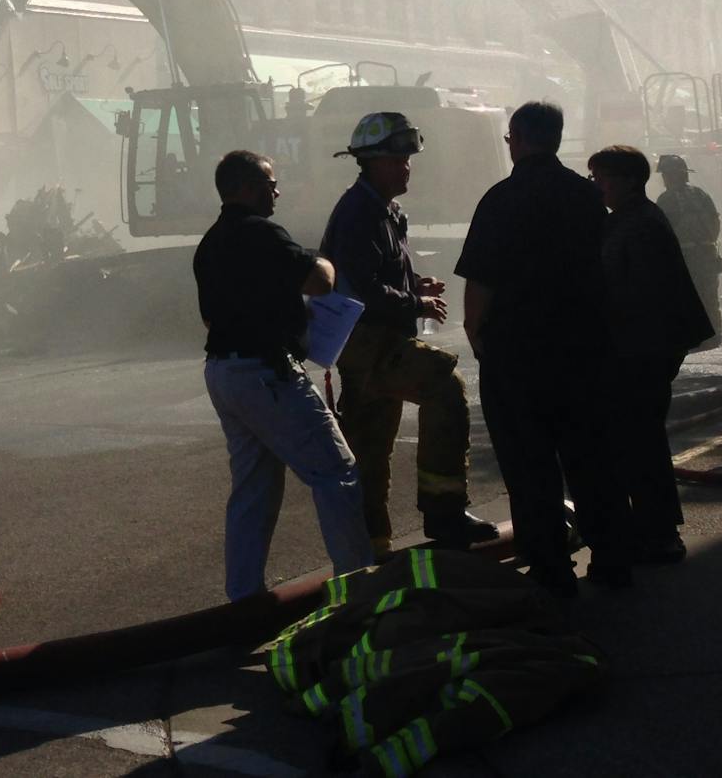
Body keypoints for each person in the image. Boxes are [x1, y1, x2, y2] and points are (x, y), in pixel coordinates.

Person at [456, 100, 630, 596]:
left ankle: (552, 568)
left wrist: (475, 330)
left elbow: (481, 279)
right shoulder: (585, 196)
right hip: (583, 349)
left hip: (518, 354)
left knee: (529, 463)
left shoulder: (501, 199)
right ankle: (613, 559)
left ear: (518, 137)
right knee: (591, 456)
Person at [194, 148, 374, 601]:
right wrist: (323, 260)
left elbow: (211, 319)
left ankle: (244, 601)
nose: (278, 192)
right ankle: (360, 593)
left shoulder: (210, 243)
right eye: (272, 184)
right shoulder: (262, 233)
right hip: (267, 373)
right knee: (337, 472)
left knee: (254, 489)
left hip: (224, 372)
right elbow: (320, 282)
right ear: (250, 189)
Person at [317, 111, 496, 552]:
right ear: (370, 163)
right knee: (444, 386)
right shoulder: (360, 212)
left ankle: (370, 545)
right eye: (395, 161)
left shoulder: (383, 210)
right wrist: (418, 302)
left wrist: (414, 286)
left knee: (370, 447)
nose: (405, 168)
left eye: (407, 160)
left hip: (374, 345)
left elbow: (375, 274)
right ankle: (444, 512)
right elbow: (360, 286)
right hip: (370, 344)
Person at [589, 145, 717, 564]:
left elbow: (637, 296)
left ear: (628, 180)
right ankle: (652, 528)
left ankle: (658, 532)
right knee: (638, 439)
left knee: (640, 440)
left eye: (601, 178)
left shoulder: (640, 223)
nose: (596, 186)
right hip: (644, 348)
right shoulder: (633, 218)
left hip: (642, 350)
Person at [656, 154, 722, 349]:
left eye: (665, 175)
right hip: (708, 253)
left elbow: (663, 231)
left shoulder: (666, 199)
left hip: (685, 257)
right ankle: (714, 336)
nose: (664, 179)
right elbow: (715, 223)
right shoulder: (701, 195)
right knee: (709, 296)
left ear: (670, 176)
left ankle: (694, 336)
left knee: (686, 297)